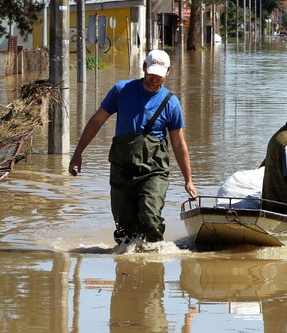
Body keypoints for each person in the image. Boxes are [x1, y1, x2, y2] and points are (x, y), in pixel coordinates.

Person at [68, 49, 197, 244]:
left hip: (154, 172)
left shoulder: (171, 103)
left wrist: (188, 180)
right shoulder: (122, 90)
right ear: (144, 67)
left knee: (150, 217)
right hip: (122, 169)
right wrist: (78, 153)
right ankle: (127, 267)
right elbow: (96, 121)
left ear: (168, 73)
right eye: (151, 72)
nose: (154, 78)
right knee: (124, 228)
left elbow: (179, 144)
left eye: (159, 75)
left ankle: (154, 261)